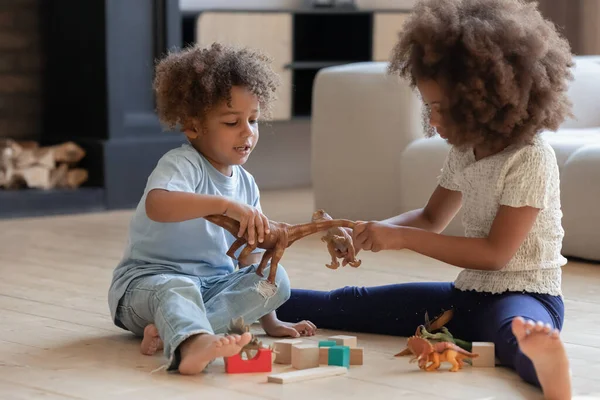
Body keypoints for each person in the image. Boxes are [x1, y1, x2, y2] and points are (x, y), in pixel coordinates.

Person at [276, 0, 573, 398]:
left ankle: (548, 367)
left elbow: (495, 254)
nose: (432, 121)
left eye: (443, 109)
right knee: (349, 302)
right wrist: (370, 231)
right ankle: (237, 303)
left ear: (486, 99)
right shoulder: (465, 150)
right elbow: (431, 218)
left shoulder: (530, 157)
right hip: (466, 298)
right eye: (428, 106)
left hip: (528, 298)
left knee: (513, 333)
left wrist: (401, 239)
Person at [108, 43, 315, 375]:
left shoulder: (246, 184)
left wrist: (271, 321)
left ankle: (174, 332)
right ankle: (191, 345)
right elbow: (157, 204)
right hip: (146, 286)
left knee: (275, 282)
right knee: (179, 287)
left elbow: (247, 255)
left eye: (253, 120)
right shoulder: (181, 164)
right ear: (193, 127)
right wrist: (224, 205)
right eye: (232, 122)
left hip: (212, 289)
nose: (247, 131)